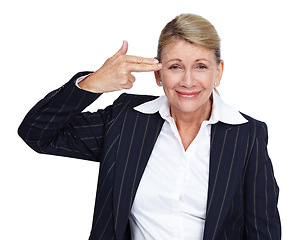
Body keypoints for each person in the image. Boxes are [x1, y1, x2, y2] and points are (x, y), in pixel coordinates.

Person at [18, 13, 281, 240]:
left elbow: (262, 231)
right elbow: (37, 133)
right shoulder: (126, 121)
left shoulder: (247, 135)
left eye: (200, 66)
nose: (188, 81)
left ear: (218, 73)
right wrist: (92, 83)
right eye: (175, 66)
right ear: (158, 74)